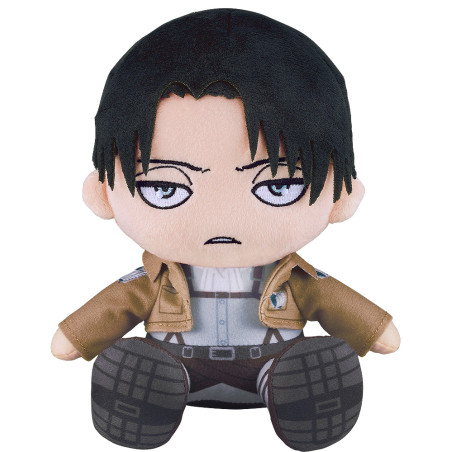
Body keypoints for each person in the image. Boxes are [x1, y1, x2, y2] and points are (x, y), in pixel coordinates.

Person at [51, 9, 400, 450]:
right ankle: (148, 391)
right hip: (173, 366)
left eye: (277, 186)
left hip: (272, 365)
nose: (220, 218)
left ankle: (296, 391)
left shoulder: (298, 279)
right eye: (164, 188)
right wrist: (77, 335)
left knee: (301, 371)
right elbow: (113, 307)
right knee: (146, 369)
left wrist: (373, 329)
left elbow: (339, 305)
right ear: (103, 194)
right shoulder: (153, 280)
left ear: (340, 196)